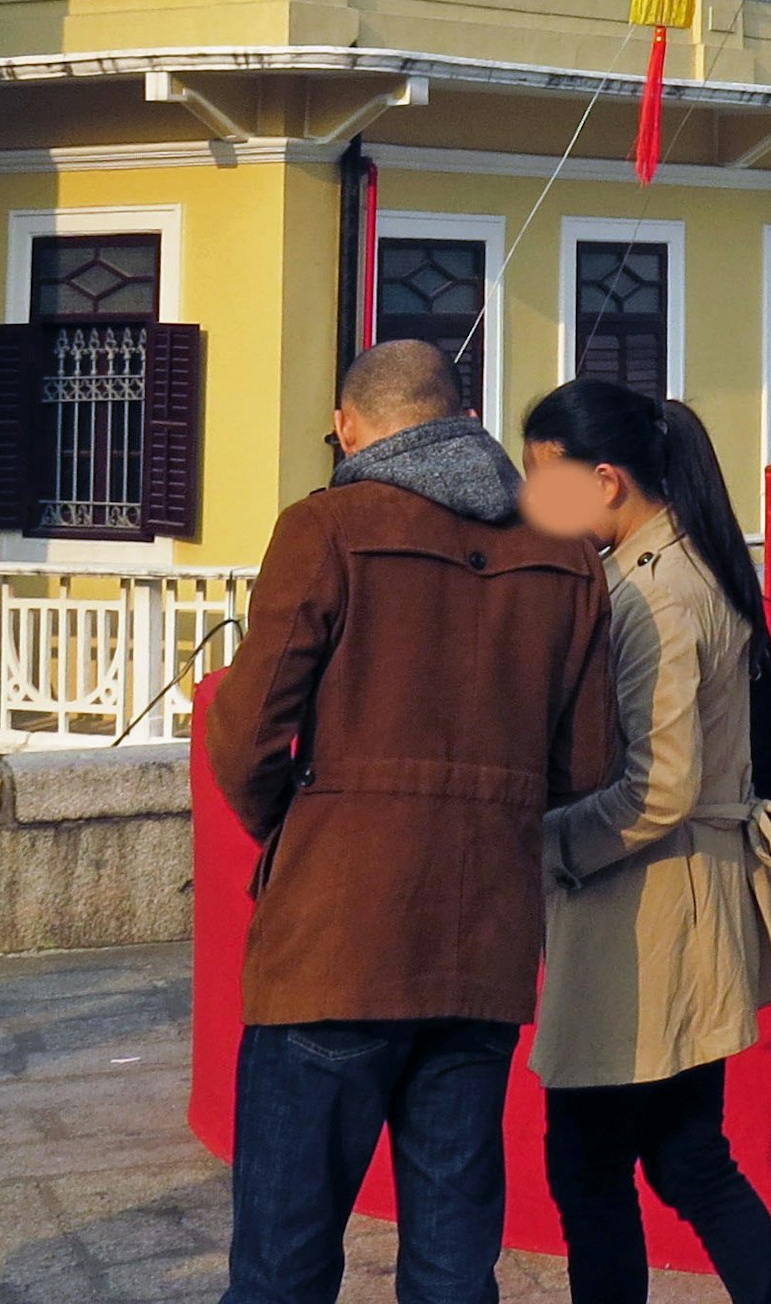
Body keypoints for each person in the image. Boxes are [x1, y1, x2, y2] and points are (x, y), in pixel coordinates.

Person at [209, 340, 619, 1304]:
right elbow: (589, 764)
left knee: (283, 1260)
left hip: (334, 938)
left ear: (351, 425)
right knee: (450, 1257)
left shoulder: (327, 527)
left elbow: (247, 735)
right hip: (480, 944)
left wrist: (313, 827)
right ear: (461, 418)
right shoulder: (563, 550)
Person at [517, 380, 771, 1304]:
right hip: (678, 902)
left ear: (605, 480)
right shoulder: (680, 564)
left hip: (644, 921)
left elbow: (659, 786)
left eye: (544, 478)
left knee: (592, 1170)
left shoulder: (659, 595)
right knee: (686, 1160)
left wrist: (549, 844)